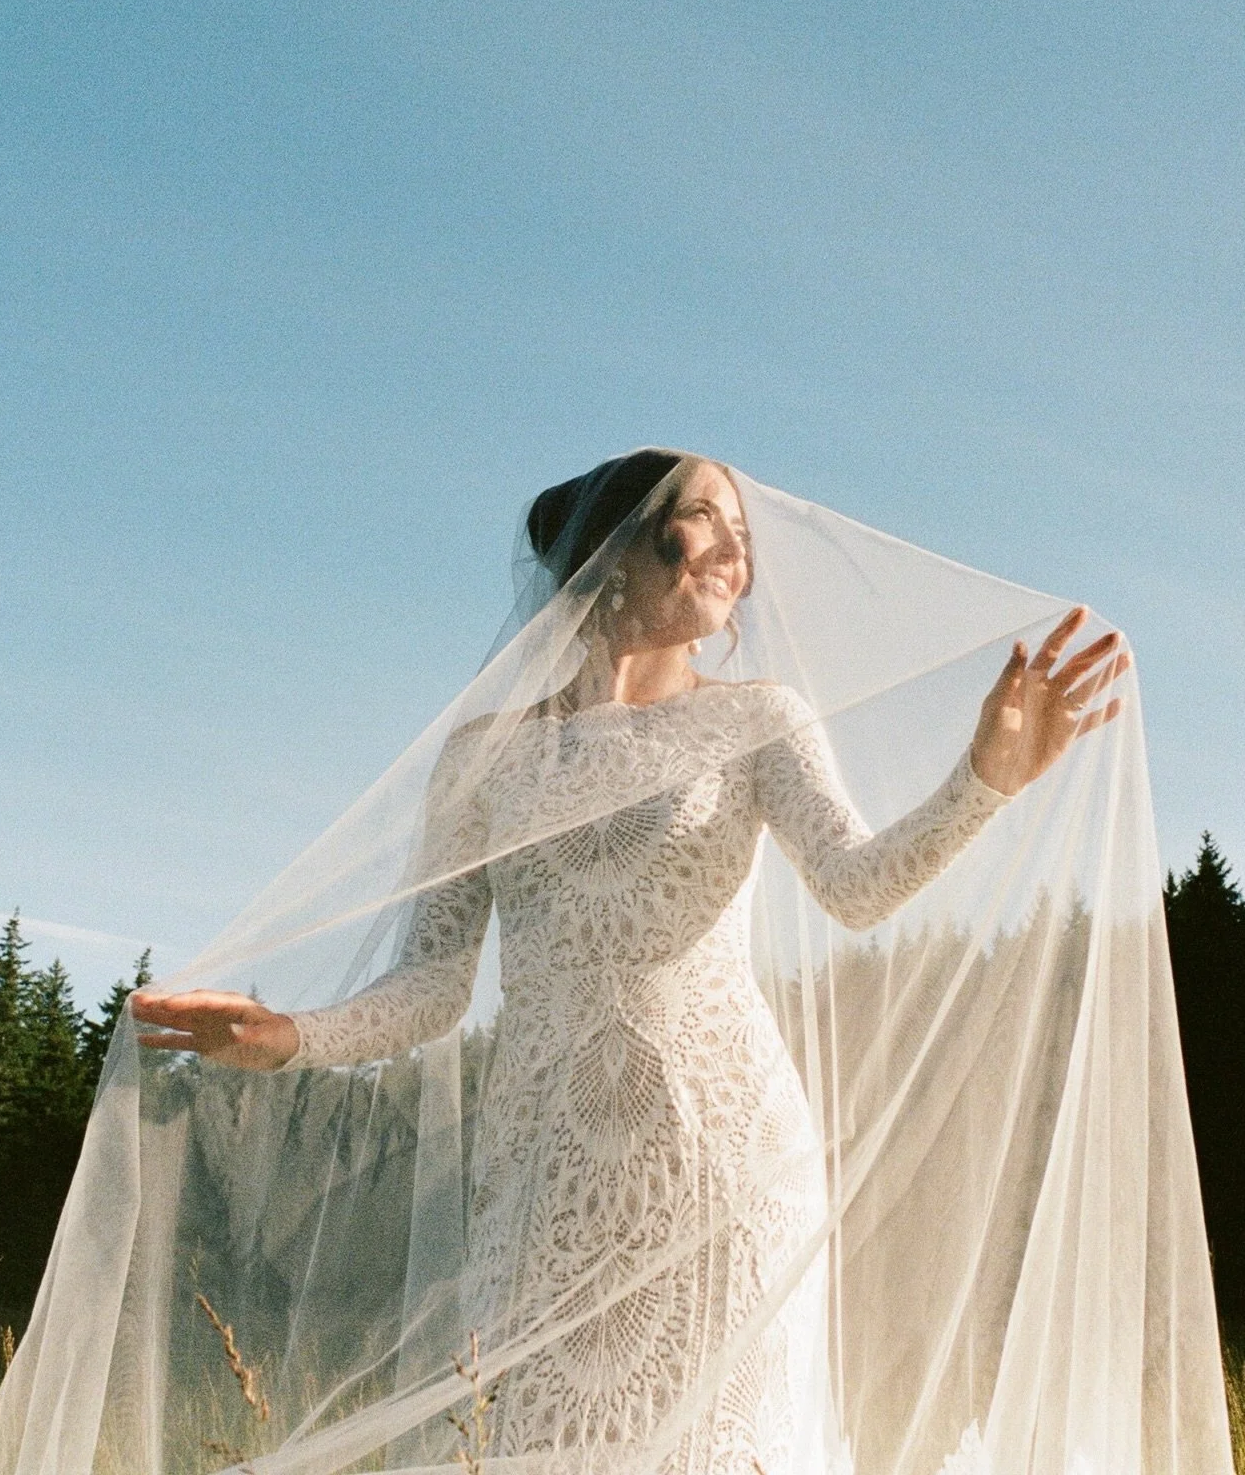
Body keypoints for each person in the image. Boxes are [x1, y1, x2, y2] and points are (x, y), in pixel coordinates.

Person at [131, 450, 1128, 1475]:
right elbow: (434, 983)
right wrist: (291, 1037)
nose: (739, 550)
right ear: (611, 549)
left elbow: (856, 886)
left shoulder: (757, 719)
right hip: (545, 1170)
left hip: (725, 1159)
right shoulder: (487, 753)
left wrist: (984, 781)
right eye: (706, 518)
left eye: (745, 530)